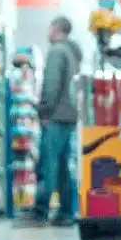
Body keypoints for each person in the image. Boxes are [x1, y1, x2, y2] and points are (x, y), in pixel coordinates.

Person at [25, 16, 82, 227]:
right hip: (69, 117)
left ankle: (40, 211)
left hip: (56, 116)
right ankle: (66, 212)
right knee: (64, 168)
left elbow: (52, 83)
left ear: (56, 28)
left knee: (47, 165)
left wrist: (44, 110)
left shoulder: (57, 51)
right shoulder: (73, 53)